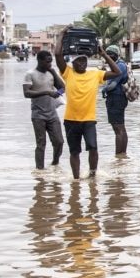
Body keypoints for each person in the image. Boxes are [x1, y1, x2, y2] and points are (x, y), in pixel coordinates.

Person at [55, 37, 121, 179]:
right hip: (71, 120)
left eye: (84, 61)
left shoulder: (95, 74)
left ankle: (92, 175)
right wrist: (61, 34)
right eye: (79, 61)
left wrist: (103, 54)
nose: (82, 63)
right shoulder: (68, 73)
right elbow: (57, 54)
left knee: (93, 147)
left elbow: (117, 72)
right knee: (74, 152)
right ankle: (76, 180)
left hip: (89, 120)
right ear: (73, 63)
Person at [23, 50, 66, 170]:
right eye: (47, 62)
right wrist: (46, 92)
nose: (50, 64)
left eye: (51, 61)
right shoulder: (30, 74)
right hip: (38, 114)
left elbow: (63, 88)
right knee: (41, 144)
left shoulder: (51, 73)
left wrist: (54, 73)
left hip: (52, 113)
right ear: (39, 60)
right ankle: (40, 171)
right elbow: (26, 93)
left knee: (59, 142)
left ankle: (55, 164)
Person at [100, 44, 129, 159]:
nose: (108, 56)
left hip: (116, 98)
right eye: (107, 54)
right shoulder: (121, 64)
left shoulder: (119, 66)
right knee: (121, 127)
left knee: (118, 128)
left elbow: (112, 85)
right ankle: (122, 155)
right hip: (119, 98)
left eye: (110, 54)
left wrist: (104, 90)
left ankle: (118, 156)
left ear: (116, 55)